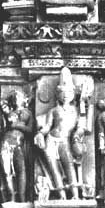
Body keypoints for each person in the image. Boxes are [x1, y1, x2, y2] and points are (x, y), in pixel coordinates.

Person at [34, 67, 91, 200]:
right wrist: (40, 134)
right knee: (53, 168)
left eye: (69, 92)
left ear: (73, 94)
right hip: (51, 139)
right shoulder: (54, 111)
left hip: (65, 140)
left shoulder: (77, 111)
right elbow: (47, 127)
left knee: (69, 165)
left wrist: (77, 137)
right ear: (58, 94)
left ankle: (75, 195)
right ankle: (62, 196)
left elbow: (81, 128)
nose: (65, 95)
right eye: (62, 92)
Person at [0, 90, 34, 203]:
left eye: (18, 96)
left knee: (21, 170)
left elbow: (30, 130)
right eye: (13, 97)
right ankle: (11, 197)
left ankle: (22, 198)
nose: (15, 99)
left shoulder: (28, 113)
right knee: (6, 171)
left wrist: (17, 125)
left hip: (19, 144)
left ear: (25, 99)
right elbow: (2, 128)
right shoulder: (8, 112)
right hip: (6, 143)